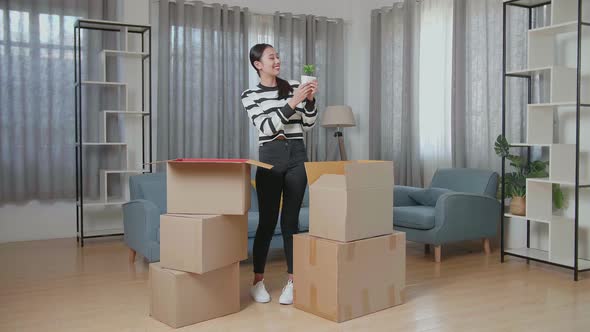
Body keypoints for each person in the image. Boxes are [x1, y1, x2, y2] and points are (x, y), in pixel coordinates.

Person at [240, 43, 318, 305]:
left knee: (291, 223)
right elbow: (267, 126)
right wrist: (293, 102)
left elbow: (308, 124)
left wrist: (309, 100)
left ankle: (293, 282)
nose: (277, 60)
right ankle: (257, 282)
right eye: (271, 57)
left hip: (297, 155)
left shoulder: (293, 85)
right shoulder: (249, 95)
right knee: (267, 221)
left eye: (278, 56)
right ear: (258, 64)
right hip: (270, 158)